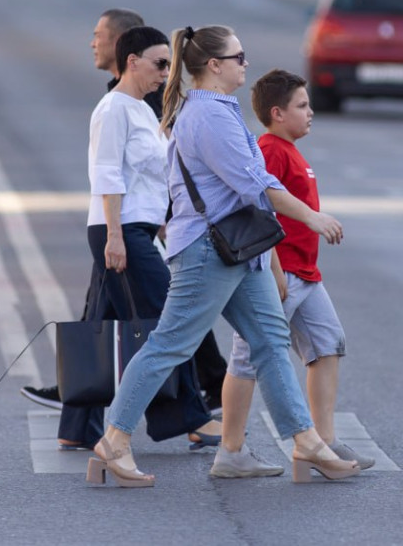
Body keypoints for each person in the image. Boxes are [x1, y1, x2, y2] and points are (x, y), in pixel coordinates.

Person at [87, 25, 359, 487]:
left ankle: (300, 442)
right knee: (170, 344)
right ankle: (114, 440)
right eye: (239, 56)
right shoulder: (208, 115)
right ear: (214, 65)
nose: (245, 64)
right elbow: (254, 183)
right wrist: (312, 217)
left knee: (271, 341)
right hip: (208, 252)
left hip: (237, 252)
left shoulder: (215, 109)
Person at [22, 9, 228, 413]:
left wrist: (168, 216)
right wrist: (117, 232)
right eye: (162, 65)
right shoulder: (118, 104)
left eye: (99, 35)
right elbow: (109, 172)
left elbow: (168, 161)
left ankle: (81, 412)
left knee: (140, 312)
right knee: (147, 315)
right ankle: (181, 409)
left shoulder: (145, 98)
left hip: (133, 226)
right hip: (121, 226)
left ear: (122, 47)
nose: (92, 42)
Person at [213, 69, 374, 475]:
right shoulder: (269, 150)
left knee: (327, 344)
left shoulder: (290, 149)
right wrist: (275, 269)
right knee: (248, 357)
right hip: (280, 275)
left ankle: (320, 442)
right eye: (302, 106)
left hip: (308, 274)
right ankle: (230, 452)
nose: (310, 112)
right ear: (277, 113)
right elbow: (258, 210)